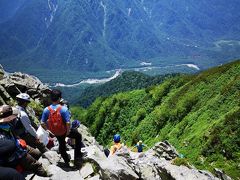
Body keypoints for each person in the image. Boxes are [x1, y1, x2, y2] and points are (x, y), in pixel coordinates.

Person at [0, 105, 49, 177]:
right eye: (14, 115)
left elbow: (13, 133)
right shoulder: (2, 131)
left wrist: (18, 139)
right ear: (8, 117)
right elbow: (8, 147)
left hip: (20, 145)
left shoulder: (7, 123)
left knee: (38, 154)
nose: (16, 116)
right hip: (17, 153)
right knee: (36, 165)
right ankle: (45, 175)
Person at [41, 89, 83, 168]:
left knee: (62, 144)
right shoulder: (63, 109)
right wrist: (67, 132)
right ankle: (77, 157)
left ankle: (66, 161)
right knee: (78, 136)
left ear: (51, 98)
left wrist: (48, 131)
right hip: (64, 130)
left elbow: (42, 123)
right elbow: (67, 123)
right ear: (60, 98)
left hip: (55, 132)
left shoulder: (46, 110)